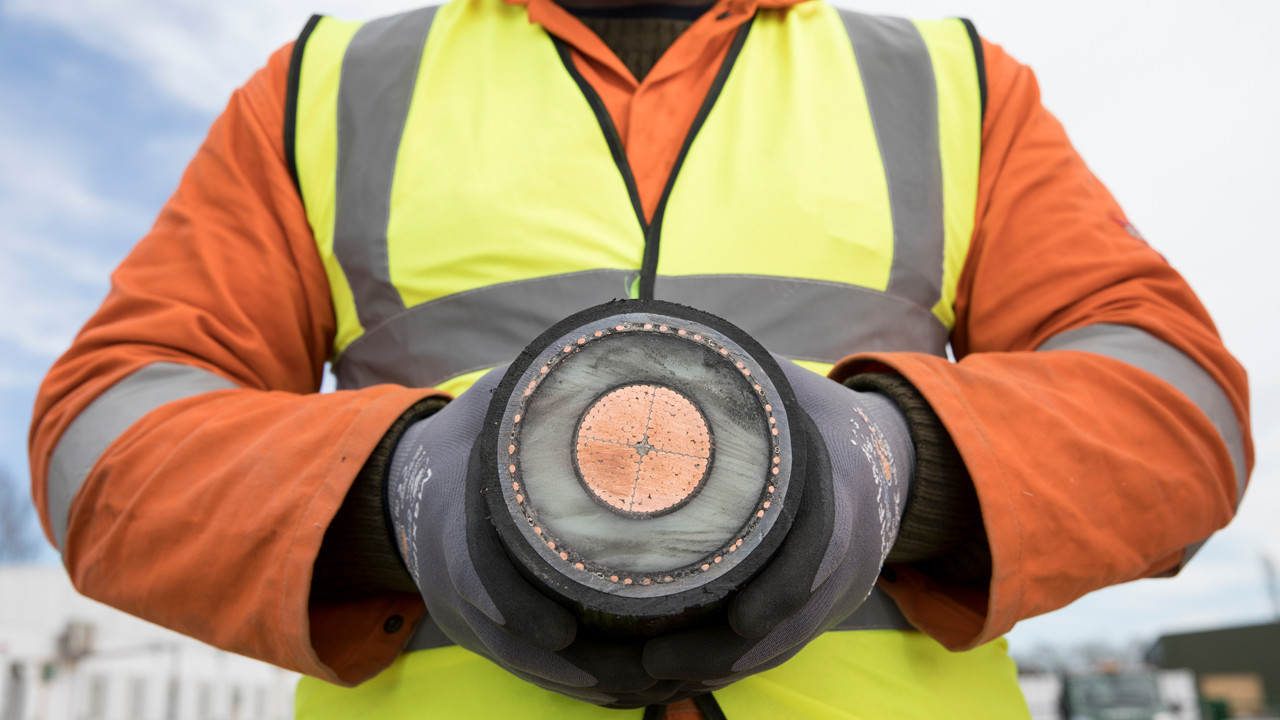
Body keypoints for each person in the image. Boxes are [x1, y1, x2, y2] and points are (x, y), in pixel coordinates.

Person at [29, 0, 1252, 716]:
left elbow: (1172, 407)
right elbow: (105, 443)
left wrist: (888, 470)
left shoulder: (945, 81)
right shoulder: (326, 87)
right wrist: (407, 492)